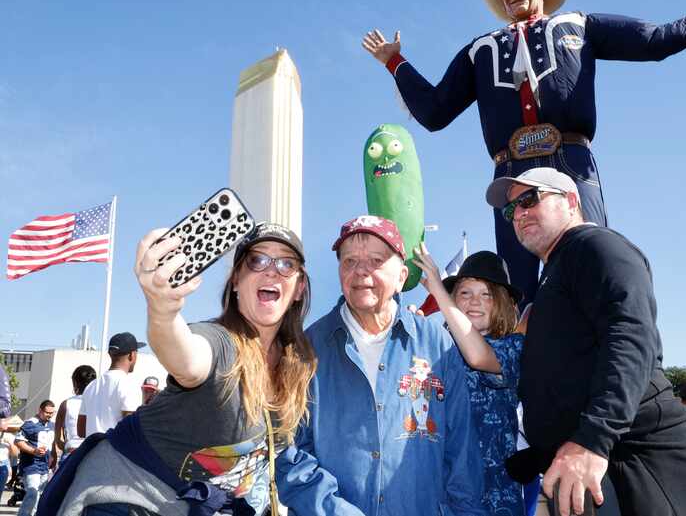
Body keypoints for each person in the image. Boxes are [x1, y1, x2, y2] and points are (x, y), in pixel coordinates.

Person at [362, 0, 686, 306]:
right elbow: (436, 111)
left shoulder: (578, 25)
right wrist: (395, 63)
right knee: (518, 285)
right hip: (512, 173)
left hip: (570, 162)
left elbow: (657, 40)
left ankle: (603, 373)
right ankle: (526, 389)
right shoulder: (480, 50)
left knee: (590, 261)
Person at [485, 167, 686, 516]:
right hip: (589, 466)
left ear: (571, 201)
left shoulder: (596, 246)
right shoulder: (556, 270)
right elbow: (572, 371)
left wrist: (593, 440)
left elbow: (630, 337)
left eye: (530, 198)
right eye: (511, 210)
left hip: (637, 463)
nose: (519, 213)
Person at [37, 222, 315, 516]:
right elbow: (187, 357)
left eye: (287, 263)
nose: (272, 270)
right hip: (126, 497)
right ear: (235, 280)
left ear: (299, 288)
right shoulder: (219, 341)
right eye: (257, 260)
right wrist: (163, 308)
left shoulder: (299, 366)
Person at [277, 215, 487, 516]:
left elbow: (461, 451)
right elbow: (292, 456)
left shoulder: (438, 344)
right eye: (349, 261)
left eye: (376, 260)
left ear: (402, 276)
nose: (361, 270)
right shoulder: (305, 349)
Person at [413, 247, 525, 516]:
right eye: (465, 293)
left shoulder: (515, 347)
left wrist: (437, 290)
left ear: (505, 303)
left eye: (487, 294)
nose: (475, 301)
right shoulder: (436, 351)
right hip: (441, 498)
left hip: (495, 498)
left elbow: (477, 356)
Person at [77, 333, 144, 437]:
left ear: (110, 354)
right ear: (132, 355)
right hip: (115, 452)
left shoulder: (91, 386)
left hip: (92, 451)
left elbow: (81, 431)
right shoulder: (129, 385)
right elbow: (131, 430)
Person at [51, 365, 96, 468]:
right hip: (92, 455)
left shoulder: (65, 404)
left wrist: (66, 446)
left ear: (75, 383)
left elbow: (58, 438)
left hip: (70, 454)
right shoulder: (99, 404)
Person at [15, 400, 55, 516]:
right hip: (31, 465)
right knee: (32, 493)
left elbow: (53, 444)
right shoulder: (30, 423)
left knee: (38, 496)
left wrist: (54, 458)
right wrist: (34, 451)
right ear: (40, 410)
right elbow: (18, 441)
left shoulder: (52, 425)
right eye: (47, 413)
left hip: (45, 466)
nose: (49, 415)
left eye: (52, 413)